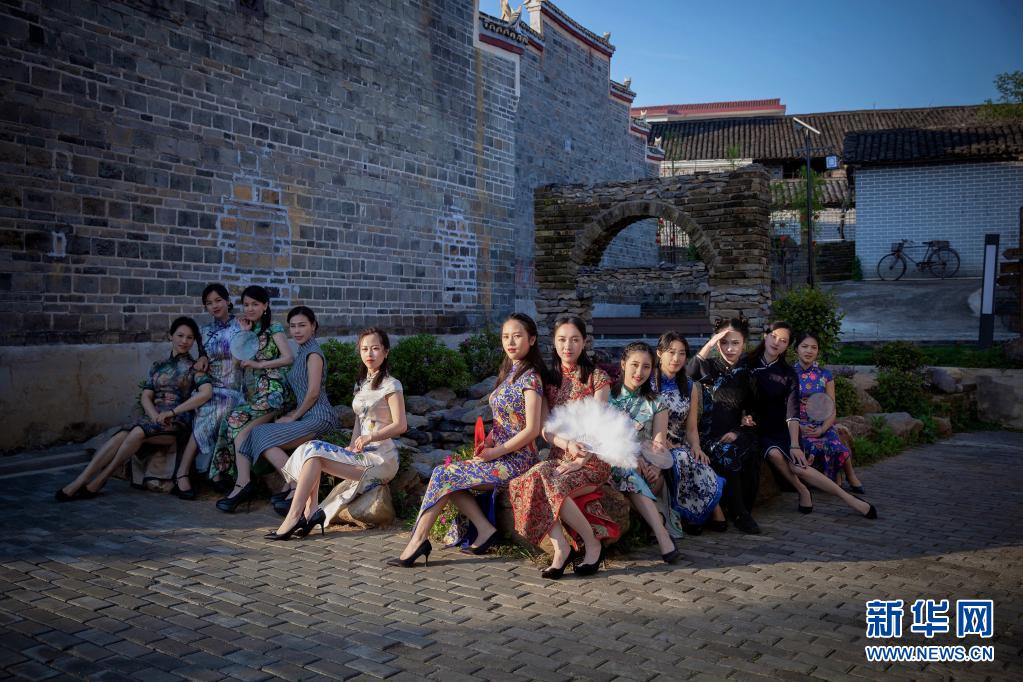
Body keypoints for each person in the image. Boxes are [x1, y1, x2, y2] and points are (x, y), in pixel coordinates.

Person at [389, 313, 546, 567]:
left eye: (517, 336)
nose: (510, 342)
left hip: (518, 460)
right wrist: (488, 443)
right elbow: (504, 422)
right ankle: (484, 529)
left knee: (443, 474)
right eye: (506, 336)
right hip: (500, 455)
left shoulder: (531, 378)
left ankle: (418, 541)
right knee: (446, 474)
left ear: (532, 339)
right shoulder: (508, 373)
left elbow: (532, 429)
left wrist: (496, 453)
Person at [270, 328, 406, 540]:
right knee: (312, 452)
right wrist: (351, 446)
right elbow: (359, 421)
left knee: (314, 449)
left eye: (375, 348)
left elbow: (400, 425)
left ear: (386, 351)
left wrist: (371, 437)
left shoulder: (391, 385)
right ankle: (308, 512)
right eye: (364, 349)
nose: (369, 354)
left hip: (382, 458)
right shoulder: (361, 383)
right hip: (362, 454)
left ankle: (296, 516)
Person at [509, 316, 619, 579]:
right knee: (525, 480)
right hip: (560, 456)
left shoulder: (597, 378)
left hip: (592, 459)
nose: (567, 346)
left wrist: (581, 459)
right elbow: (546, 430)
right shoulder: (549, 380)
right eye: (562, 340)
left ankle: (592, 544)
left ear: (584, 343)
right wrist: (567, 444)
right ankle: (561, 548)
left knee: (553, 486)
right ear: (554, 343)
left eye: (574, 340)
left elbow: (598, 424)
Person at [56, 317, 213, 501]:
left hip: (176, 423)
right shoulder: (158, 366)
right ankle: (80, 481)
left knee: (137, 431)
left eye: (189, 337)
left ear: (194, 341)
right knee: (121, 435)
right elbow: (146, 396)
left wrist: (172, 412)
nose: (184, 341)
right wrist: (154, 415)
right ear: (170, 336)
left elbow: (206, 393)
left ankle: (101, 479)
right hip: (153, 420)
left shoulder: (195, 368)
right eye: (180, 335)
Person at [750, 322, 877, 519]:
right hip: (762, 428)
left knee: (798, 465)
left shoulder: (788, 373)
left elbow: (792, 410)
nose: (776, 343)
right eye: (773, 337)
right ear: (765, 336)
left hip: (784, 427)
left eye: (783, 340)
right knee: (774, 454)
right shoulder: (750, 364)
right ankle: (803, 490)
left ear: (787, 345)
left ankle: (851, 499)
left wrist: (795, 443)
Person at [219, 306, 338, 514]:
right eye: (293, 326)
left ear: (313, 326)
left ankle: (297, 485)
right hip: (307, 416)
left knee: (261, 435)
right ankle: (293, 483)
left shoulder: (313, 354)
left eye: (302, 325)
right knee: (258, 434)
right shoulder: (303, 352)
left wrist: (294, 417)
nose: (297, 331)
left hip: (319, 417)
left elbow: (313, 393)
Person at [210, 286, 294, 511]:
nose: (250, 309)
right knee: (235, 425)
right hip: (256, 394)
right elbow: (238, 362)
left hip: (274, 392)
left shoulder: (274, 328)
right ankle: (242, 482)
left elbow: (288, 358)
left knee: (238, 423)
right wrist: (243, 334)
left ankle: (245, 483)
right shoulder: (249, 330)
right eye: (246, 304)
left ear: (265, 306)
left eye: (255, 304)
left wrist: (260, 364)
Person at [608, 342, 682, 564]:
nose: (639, 372)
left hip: (647, 468)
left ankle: (654, 522)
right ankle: (662, 533)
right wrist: (631, 458)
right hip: (614, 461)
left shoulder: (656, 403)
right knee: (627, 470)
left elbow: (659, 444)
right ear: (623, 364)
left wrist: (656, 467)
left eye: (646, 367)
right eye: (634, 365)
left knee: (646, 477)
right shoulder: (607, 397)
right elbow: (603, 439)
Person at [688, 318, 761, 534]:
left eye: (735, 343)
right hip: (707, 436)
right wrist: (710, 344)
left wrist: (740, 428)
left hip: (735, 432)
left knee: (738, 450)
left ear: (744, 344)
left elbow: (755, 409)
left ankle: (741, 511)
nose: (729, 348)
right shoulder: (707, 367)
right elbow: (687, 374)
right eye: (724, 342)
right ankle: (739, 513)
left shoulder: (748, 373)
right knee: (723, 451)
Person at [171, 284, 243, 499]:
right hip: (212, 386)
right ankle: (185, 473)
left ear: (228, 301)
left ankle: (213, 472)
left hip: (236, 387)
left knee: (222, 408)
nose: (214, 306)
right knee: (211, 409)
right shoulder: (203, 331)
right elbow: (202, 355)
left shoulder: (241, 325)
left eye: (218, 300)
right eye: (209, 303)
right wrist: (202, 357)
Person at [651, 331, 725, 535]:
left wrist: (697, 446)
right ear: (659, 353)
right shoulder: (649, 382)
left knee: (698, 459)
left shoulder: (689, 386)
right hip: (654, 442)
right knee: (682, 457)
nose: (676, 358)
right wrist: (661, 441)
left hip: (680, 441)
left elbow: (691, 428)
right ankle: (695, 516)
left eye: (682, 353)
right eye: (671, 352)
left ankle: (702, 514)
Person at [793, 331, 864, 491]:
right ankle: (832, 478)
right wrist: (799, 427)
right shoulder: (788, 374)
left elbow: (831, 408)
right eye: (804, 346)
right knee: (812, 446)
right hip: (798, 425)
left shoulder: (825, 375)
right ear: (796, 348)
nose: (809, 351)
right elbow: (783, 408)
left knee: (836, 445)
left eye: (814, 347)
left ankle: (851, 476)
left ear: (818, 350)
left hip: (821, 424)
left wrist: (822, 429)